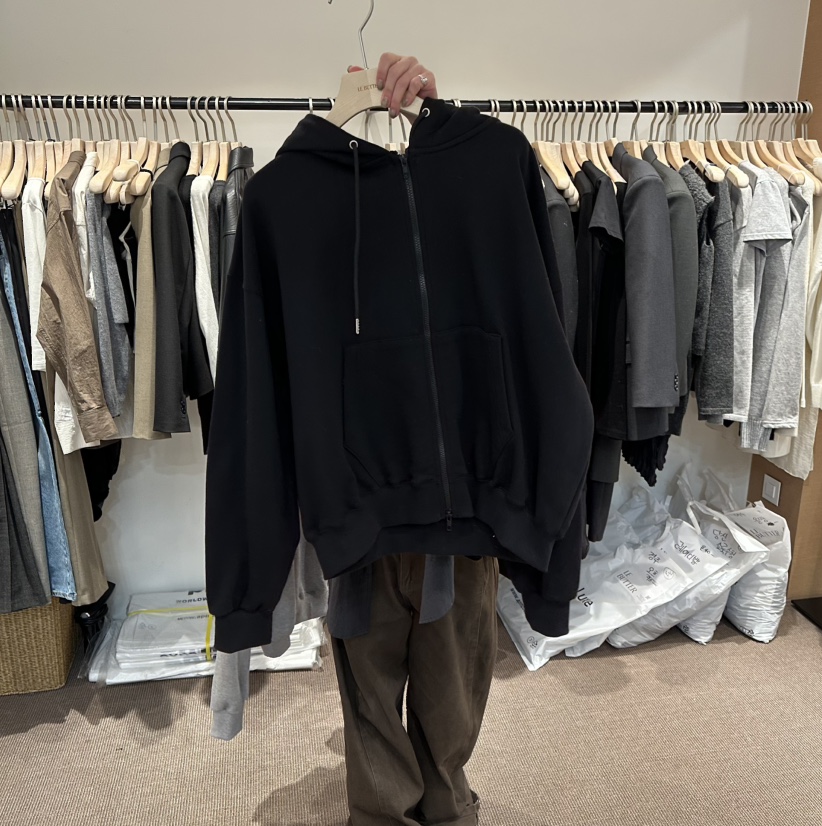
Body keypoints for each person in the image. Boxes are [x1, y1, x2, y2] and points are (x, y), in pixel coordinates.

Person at [332, 53, 498, 826]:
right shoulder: (307, 210)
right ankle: (392, 812)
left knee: (452, 684)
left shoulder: (476, 198)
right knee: (372, 687)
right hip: (363, 503)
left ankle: (444, 804)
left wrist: (443, 119)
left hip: (456, 504)